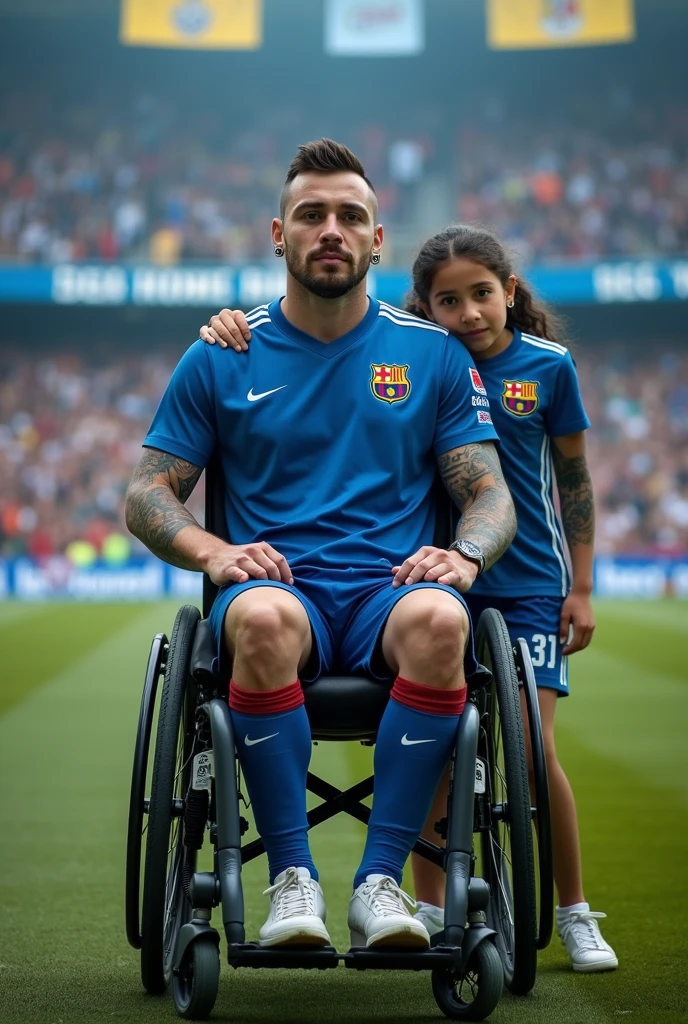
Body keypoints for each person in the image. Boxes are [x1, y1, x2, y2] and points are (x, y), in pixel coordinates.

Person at [126, 143, 516, 951]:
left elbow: (489, 493)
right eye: (312, 215)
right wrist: (212, 552)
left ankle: (380, 885)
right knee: (263, 618)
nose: (330, 230)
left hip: (389, 595)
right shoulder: (221, 352)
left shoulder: (434, 353)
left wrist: (468, 555)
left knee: (447, 623)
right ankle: (291, 885)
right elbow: (146, 493)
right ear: (279, 233)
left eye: (350, 216)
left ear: (379, 239)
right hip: (276, 593)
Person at [199, 223, 618, 972]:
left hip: (505, 581)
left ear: (510, 292)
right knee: (454, 747)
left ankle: (564, 909)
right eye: (448, 301)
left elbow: (568, 481)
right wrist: (236, 325)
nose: (468, 313)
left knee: (530, 746)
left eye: (482, 294)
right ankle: (404, 898)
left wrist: (581, 584)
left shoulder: (533, 366)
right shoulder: (426, 356)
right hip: (418, 575)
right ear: (427, 308)